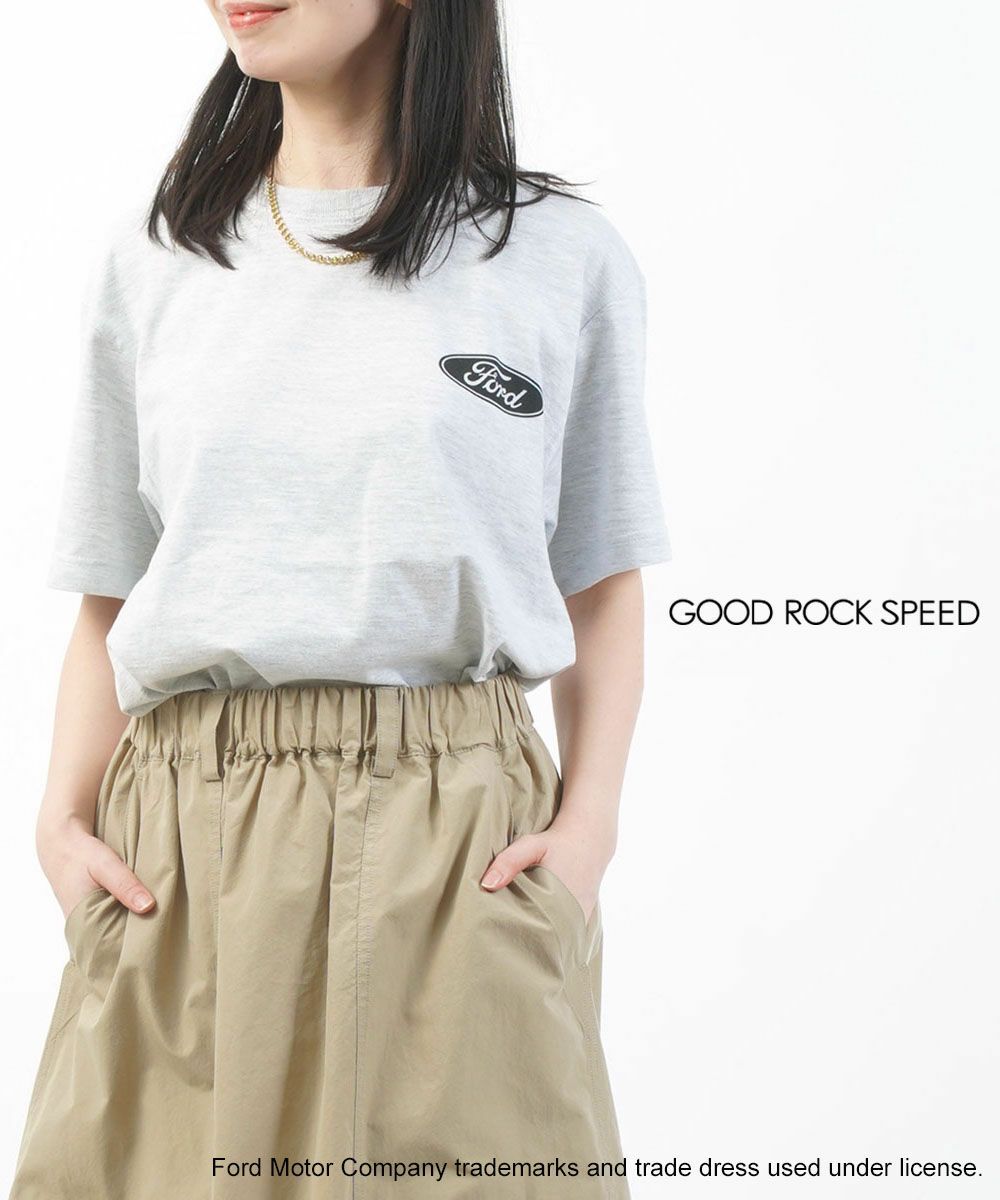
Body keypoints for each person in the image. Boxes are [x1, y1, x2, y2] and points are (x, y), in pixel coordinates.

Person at [11, 2, 670, 1197]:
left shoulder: (556, 256)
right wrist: (58, 826)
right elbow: (112, 587)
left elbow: (602, 577)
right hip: (183, 841)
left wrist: (587, 833)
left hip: (458, 843)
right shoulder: (154, 257)